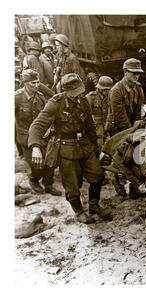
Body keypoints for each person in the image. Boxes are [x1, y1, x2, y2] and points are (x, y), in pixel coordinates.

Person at [28, 73, 110, 224]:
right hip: (66, 149)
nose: (78, 95)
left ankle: (93, 205)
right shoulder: (55, 103)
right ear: (65, 91)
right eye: (74, 92)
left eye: (80, 91)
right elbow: (36, 126)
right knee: (72, 186)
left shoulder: (83, 101)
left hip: (84, 146)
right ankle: (79, 211)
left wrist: (97, 151)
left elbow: (90, 127)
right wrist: (35, 147)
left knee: (98, 175)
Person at [106, 58, 146, 199]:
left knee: (137, 156)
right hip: (117, 128)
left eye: (138, 73)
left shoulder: (138, 88)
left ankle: (134, 188)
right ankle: (118, 182)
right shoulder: (116, 91)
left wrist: (137, 129)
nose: (137, 76)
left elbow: (137, 112)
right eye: (133, 73)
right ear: (125, 72)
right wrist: (131, 135)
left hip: (130, 126)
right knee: (121, 158)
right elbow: (120, 117)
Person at [15, 70, 61, 196]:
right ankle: (34, 180)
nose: (36, 85)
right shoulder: (17, 98)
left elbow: (48, 115)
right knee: (36, 165)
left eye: (37, 82)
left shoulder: (40, 96)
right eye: (32, 83)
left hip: (41, 135)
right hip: (25, 137)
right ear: (24, 83)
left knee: (50, 160)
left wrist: (49, 128)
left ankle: (48, 184)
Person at [86, 76, 114, 149]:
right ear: (100, 89)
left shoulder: (110, 97)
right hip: (96, 127)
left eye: (109, 90)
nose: (107, 91)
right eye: (105, 89)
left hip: (107, 126)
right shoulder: (91, 97)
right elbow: (87, 115)